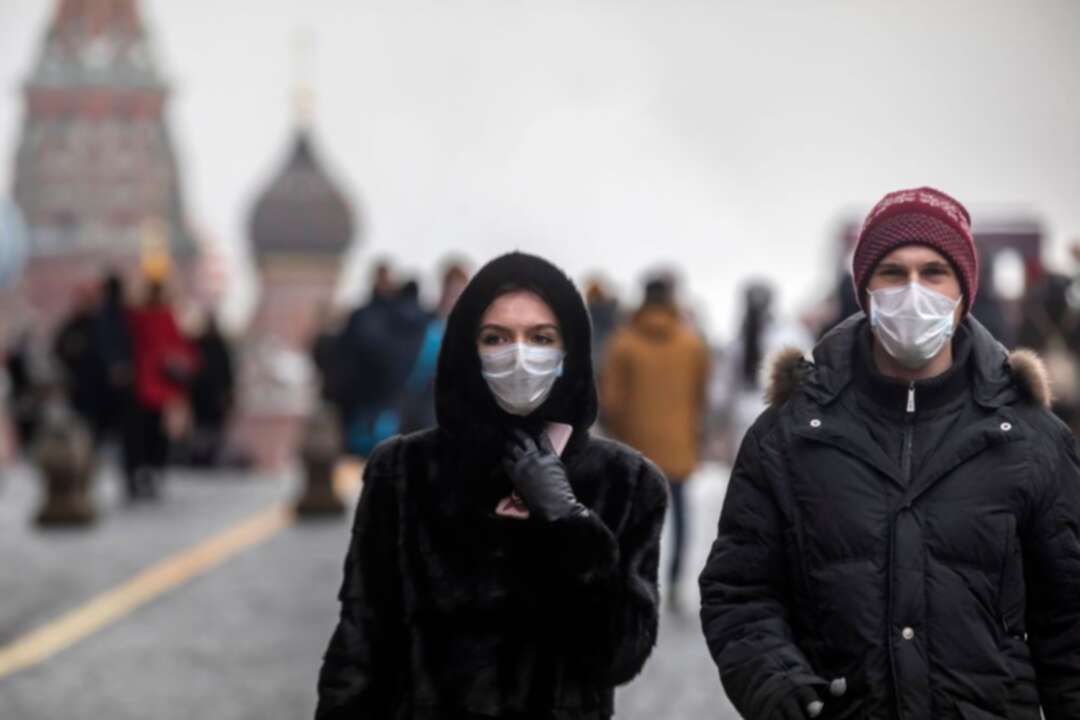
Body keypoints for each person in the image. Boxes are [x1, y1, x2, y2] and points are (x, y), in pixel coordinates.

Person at [699, 187, 1080, 720]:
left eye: (934, 272)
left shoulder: (1031, 439)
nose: (914, 291)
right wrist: (777, 685)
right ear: (865, 291)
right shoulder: (788, 436)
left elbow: (1068, 623)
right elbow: (739, 590)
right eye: (893, 273)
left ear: (964, 292)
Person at [316, 252, 667, 719]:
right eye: (496, 337)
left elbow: (619, 654)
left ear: (569, 353)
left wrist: (568, 522)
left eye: (541, 337)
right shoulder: (403, 471)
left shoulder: (626, 482)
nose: (519, 354)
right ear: (468, 350)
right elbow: (360, 643)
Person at [600, 275, 710, 611]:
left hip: (635, 451)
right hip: (678, 448)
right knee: (680, 518)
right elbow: (701, 398)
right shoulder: (692, 345)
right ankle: (676, 583)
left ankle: (633, 582)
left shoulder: (622, 343)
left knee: (632, 521)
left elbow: (611, 402)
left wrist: (618, 432)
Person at [124, 281, 197, 499]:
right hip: (159, 385)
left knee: (140, 433)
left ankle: (142, 471)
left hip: (141, 384)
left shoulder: (136, 316)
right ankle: (153, 470)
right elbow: (180, 347)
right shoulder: (165, 317)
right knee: (156, 433)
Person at [188, 312, 234, 467]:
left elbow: (227, 372)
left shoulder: (219, 346)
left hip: (213, 395)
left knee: (213, 428)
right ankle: (199, 456)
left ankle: (209, 456)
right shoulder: (199, 344)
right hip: (201, 394)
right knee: (201, 427)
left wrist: (227, 392)